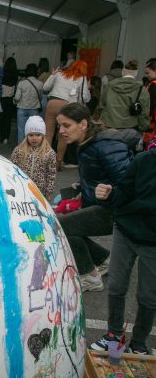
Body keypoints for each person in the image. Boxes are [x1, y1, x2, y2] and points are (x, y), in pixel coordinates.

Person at [56, 102, 139, 292]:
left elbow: (129, 182)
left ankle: (90, 277)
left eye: (66, 125)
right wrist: (83, 185)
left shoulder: (105, 145)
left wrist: (109, 193)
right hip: (105, 206)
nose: (61, 131)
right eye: (60, 125)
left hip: (117, 211)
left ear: (83, 124)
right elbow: (101, 174)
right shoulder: (88, 143)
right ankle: (103, 260)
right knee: (69, 226)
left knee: (60, 227)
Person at [89, 145, 156, 355]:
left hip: (153, 243)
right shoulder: (144, 159)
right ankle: (114, 334)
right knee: (116, 286)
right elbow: (124, 191)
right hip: (125, 231)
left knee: (148, 296)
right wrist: (110, 195)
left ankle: (139, 342)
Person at [43, 60, 90, 170]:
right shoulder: (81, 78)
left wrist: (52, 75)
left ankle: (45, 161)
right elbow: (84, 97)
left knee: (48, 134)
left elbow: (45, 88)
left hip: (52, 103)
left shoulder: (59, 74)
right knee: (63, 136)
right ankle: (58, 163)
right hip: (66, 106)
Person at [9, 115, 56, 201]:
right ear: (26, 135)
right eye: (31, 135)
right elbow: (11, 168)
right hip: (22, 188)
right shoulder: (19, 150)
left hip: (39, 191)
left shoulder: (49, 152)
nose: (34, 138)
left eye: (38, 135)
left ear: (43, 135)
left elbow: (51, 173)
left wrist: (49, 191)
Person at [101, 59, 150, 133]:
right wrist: (143, 127)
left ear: (122, 72)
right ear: (136, 73)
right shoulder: (142, 90)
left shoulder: (110, 86)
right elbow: (143, 112)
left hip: (109, 126)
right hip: (131, 129)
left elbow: (103, 103)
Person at [14, 63, 44, 143]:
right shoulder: (40, 83)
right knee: (33, 130)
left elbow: (17, 97)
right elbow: (41, 97)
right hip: (34, 109)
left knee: (21, 130)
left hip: (22, 108)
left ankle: (21, 147)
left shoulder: (21, 83)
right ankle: (31, 147)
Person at [143, 58, 156, 147]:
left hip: (153, 121)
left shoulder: (153, 85)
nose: (146, 75)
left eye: (148, 73)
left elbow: (149, 105)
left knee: (149, 142)